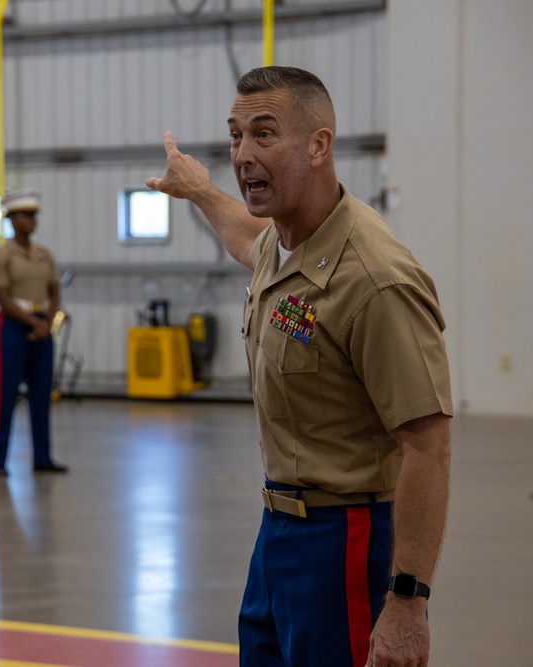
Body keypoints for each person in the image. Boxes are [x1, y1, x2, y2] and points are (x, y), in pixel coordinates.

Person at [146, 66, 452, 667]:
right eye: (235, 136)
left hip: (345, 541)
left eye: (265, 134)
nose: (243, 154)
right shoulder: (283, 244)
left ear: (319, 145)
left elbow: (428, 448)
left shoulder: (374, 279)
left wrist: (408, 604)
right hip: (278, 535)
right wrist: (201, 190)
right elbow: (243, 235)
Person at [0, 188, 68, 477]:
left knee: (41, 393)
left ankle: (43, 456)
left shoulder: (44, 254)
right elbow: (2, 296)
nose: (32, 221)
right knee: (6, 393)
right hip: (13, 323)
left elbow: (55, 290)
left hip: (41, 323)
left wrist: (46, 320)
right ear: (11, 219)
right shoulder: (3, 255)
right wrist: (33, 324)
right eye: (25, 215)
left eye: (34, 215)